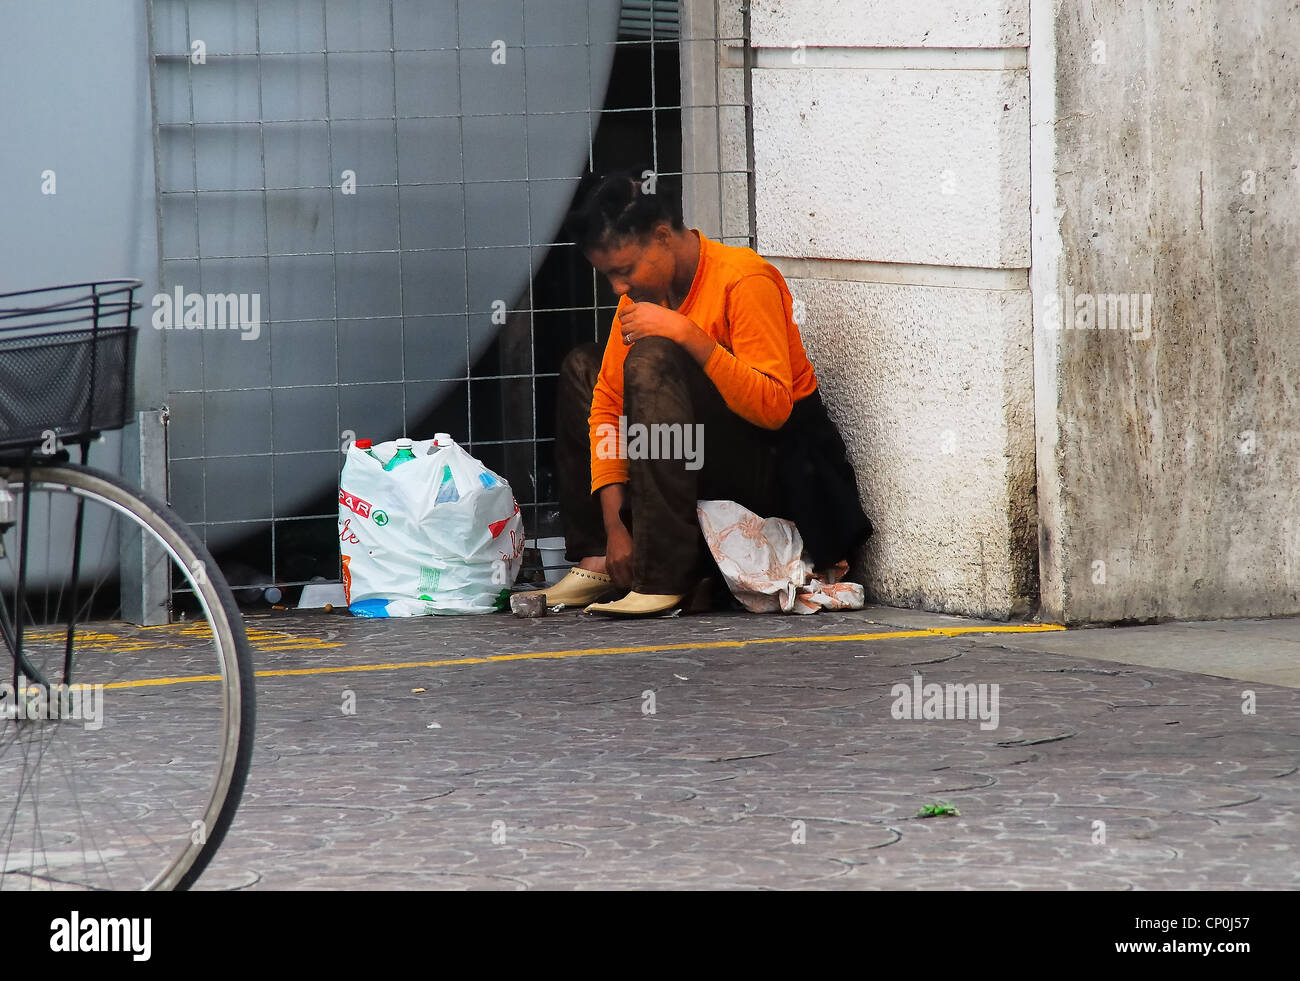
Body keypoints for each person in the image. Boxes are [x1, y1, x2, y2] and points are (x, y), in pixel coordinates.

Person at [542, 171, 871, 616]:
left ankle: (664, 573)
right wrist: (614, 528)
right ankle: (603, 560)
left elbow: (774, 408)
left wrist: (687, 334)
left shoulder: (744, 279)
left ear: (661, 237)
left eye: (624, 271)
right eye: (609, 277)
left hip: (776, 464)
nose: (619, 288)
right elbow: (607, 409)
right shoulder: (642, 295)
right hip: (691, 455)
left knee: (651, 358)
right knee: (583, 367)